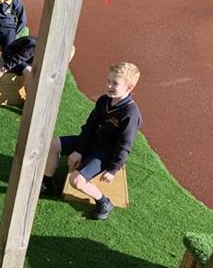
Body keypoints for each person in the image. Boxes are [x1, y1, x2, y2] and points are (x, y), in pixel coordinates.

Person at [41, 62, 143, 220]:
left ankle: (103, 201)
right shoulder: (104, 100)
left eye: (115, 83)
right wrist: (79, 150)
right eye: (108, 81)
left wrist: (112, 170)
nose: (109, 85)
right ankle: (47, 183)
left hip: (104, 153)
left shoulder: (130, 113)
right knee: (52, 145)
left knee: (76, 181)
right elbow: (90, 126)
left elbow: (124, 146)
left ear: (129, 88)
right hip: (90, 142)